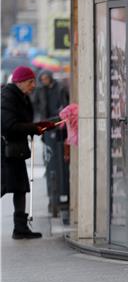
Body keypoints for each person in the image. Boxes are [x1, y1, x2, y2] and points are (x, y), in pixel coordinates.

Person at [1, 66, 56, 239]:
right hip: (5, 152)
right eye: (30, 81)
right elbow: (8, 126)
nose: (34, 85)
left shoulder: (22, 97)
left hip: (15, 151)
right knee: (4, 186)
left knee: (20, 187)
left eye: (34, 81)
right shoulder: (8, 97)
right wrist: (34, 127)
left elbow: (23, 122)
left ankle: (20, 228)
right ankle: (20, 228)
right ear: (19, 82)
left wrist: (38, 126)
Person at [32, 70, 70, 216]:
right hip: (46, 128)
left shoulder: (59, 88)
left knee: (61, 164)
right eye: (42, 79)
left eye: (46, 78)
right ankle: (52, 196)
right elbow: (36, 106)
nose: (44, 81)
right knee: (50, 162)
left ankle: (61, 195)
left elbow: (64, 105)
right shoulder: (40, 90)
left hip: (59, 128)